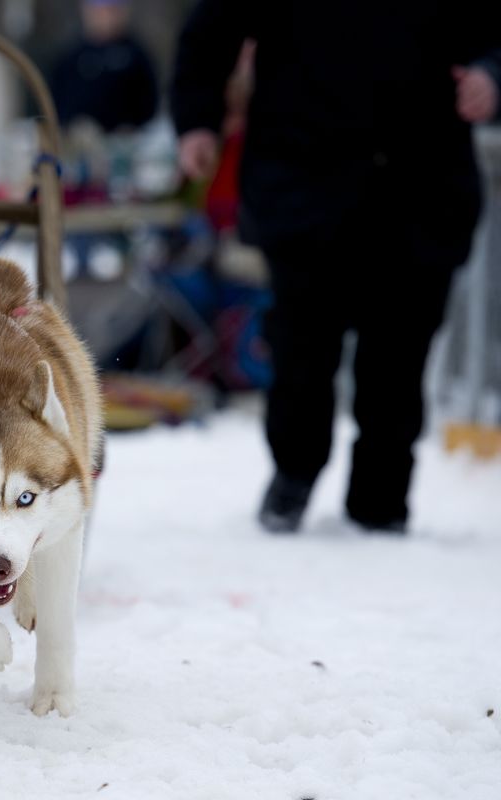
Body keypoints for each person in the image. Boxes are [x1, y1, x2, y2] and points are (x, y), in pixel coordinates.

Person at [171, 1, 501, 534]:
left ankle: (381, 500)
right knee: (302, 347)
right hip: (304, 178)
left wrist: (492, 75)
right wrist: (198, 122)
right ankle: (294, 474)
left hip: (420, 183)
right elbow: (212, 29)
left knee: (399, 355)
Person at [48, 0, 159, 134]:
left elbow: (150, 101)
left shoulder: (135, 55)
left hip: (127, 140)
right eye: (99, 11)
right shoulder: (70, 57)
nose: (105, 17)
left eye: (111, 10)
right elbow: (55, 101)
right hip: (79, 140)